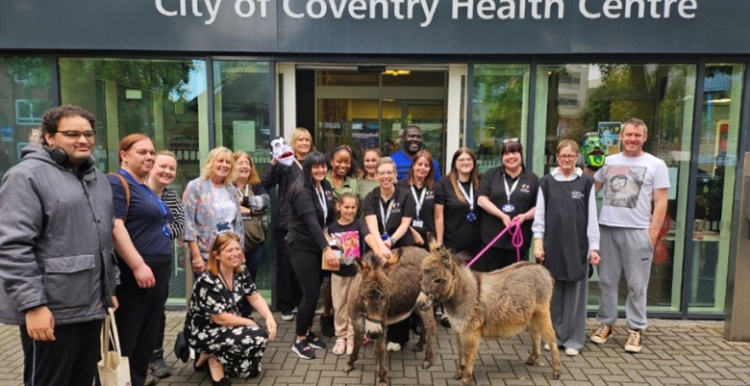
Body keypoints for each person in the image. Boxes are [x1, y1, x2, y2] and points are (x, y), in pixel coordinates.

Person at [0, 106, 118, 386]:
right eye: (72, 133)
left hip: (91, 306)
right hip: (51, 312)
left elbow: (104, 239)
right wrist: (33, 306)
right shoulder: (25, 176)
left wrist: (110, 288)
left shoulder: (97, 179)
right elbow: (12, 247)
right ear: (50, 137)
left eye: (88, 134)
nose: (83, 140)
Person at [590, 118, 670, 353]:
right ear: (621, 137)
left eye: (637, 135)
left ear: (644, 137)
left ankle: (635, 328)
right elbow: (589, 191)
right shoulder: (607, 162)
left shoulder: (656, 164)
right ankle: (606, 323)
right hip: (607, 228)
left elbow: (661, 202)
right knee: (606, 281)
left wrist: (652, 236)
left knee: (637, 284)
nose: (632, 139)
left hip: (638, 232)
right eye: (628, 135)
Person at [110, 134, 175, 386]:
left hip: (157, 270)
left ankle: (136, 380)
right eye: (142, 152)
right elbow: (116, 227)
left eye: (151, 152)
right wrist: (138, 265)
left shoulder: (144, 188)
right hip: (135, 272)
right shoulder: (117, 183)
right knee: (128, 334)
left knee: (146, 336)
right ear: (124, 155)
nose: (149, 156)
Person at [532, 140, 600, 357]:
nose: (567, 159)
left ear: (577, 157)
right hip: (552, 246)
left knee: (575, 296)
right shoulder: (546, 182)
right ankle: (554, 337)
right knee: (553, 296)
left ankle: (574, 340)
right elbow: (539, 217)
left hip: (578, 247)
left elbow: (592, 219)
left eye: (571, 156)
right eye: (563, 156)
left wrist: (594, 248)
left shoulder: (586, 183)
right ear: (557, 158)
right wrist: (538, 244)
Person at [185, 232, 277, 386]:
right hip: (203, 331)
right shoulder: (208, 280)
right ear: (217, 255)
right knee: (258, 335)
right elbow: (219, 318)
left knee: (251, 371)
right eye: (229, 251)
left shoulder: (240, 271)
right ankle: (214, 361)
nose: (235, 254)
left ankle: (204, 357)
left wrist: (269, 316)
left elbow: (254, 296)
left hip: (227, 326)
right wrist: (248, 322)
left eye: (237, 249)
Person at [286, 151, 336, 360]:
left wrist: (334, 238)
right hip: (301, 247)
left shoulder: (324, 186)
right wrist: (327, 248)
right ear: (307, 168)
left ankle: (307, 330)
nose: (320, 170)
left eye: (323, 166)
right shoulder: (302, 191)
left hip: (317, 245)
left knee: (313, 292)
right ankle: (299, 340)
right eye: (315, 167)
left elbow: (327, 216)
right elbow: (312, 224)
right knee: (310, 294)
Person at [363, 157, 415, 352]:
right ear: (376, 176)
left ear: (395, 175)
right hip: (379, 251)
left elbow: (405, 223)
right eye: (381, 173)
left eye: (389, 173)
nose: (385, 176)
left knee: (399, 291)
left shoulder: (405, 195)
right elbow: (372, 225)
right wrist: (380, 247)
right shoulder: (371, 197)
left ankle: (399, 337)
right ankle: (377, 328)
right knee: (380, 292)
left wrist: (391, 242)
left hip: (401, 248)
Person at [262, 127, 313, 321]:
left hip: (307, 222)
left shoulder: (313, 162)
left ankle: (303, 302)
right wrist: (275, 160)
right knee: (285, 265)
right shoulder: (285, 162)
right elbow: (265, 183)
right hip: (284, 221)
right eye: (300, 140)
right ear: (293, 142)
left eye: (307, 140)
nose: (304, 143)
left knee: (304, 266)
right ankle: (286, 305)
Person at [146, 151, 186, 384]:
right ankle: (135, 359)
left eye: (171, 168)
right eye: (163, 166)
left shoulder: (171, 197)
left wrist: (160, 232)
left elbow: (180, 226)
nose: (167, 172)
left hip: (161, 262)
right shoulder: (137, 192)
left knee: (157, 311)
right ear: (151, 167)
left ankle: (156, 356)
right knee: (135, 313)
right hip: (133, 263)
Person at [327, 193, 383, 355]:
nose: (350, 210)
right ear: (338, 207)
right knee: (339, 305)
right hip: (337, 273)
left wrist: (378, 252)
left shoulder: (359, 224)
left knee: (354, 306)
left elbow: (369, 237)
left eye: (353, 207)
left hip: (356, 274)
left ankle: (352, 337)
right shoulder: (331, 228)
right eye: (346, 207)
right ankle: (340, 337)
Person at [434, 148, 482, 328]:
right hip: (452, 238)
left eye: (468, 160)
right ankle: (448, 312)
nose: (465, 163)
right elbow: (439, 215)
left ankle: (470, 309)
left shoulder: (481, 181)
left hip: (477, 240)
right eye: (461, 160)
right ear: (454, 163)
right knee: (452, 277)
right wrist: (439, 243)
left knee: (472, 277)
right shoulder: (444, 184)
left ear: (474, 162)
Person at [476, 140, 538, 272]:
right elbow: (481, 200)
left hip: (518, 242)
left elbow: (539, 206)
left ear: (521, 154)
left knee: (514, 283)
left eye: (514, 152)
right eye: (506, 153)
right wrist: (502, 215)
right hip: (492, 240)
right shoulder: (491, 175)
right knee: (491, 281)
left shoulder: (532, 179)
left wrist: (525, 216)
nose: (510, 157)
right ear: (502, 157)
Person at [183, 147, 244, 275]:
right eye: (220, 161)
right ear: (211, 163)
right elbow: (188, 224)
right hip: (206, 254)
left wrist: (240, 252)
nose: (224, 165)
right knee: (210, 293)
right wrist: (196, 256)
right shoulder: (195, 186)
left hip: (230, 254)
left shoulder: (231, 189)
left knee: (231, 292)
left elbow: (238, 224)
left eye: (228, 162)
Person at [321, 145, 360, 336]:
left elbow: (354, 207)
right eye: (339, 161)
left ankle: (350, 331)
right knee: (333, 279)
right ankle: (328, 315)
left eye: (347, 161)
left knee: (348, 276)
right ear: (331, 161)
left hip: (347, 233)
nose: (343, 165)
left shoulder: (352, 182)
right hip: (327, 231)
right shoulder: (323, 179)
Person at [233, 150, 270, 282]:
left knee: (250, 281)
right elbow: (229, 207)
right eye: (240, 163)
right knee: (234, 282)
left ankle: (248, 304)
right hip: (233, 246)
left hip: (255, 243)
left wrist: (243, 201)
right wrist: (251, 211)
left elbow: (264, 202)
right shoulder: (227, 186)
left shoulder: (255, 185)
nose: (244, 166)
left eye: (247, 163)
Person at [398, 150, 437, 248]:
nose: (422, 168)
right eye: (419, 164)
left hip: (428, 238)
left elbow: (438, 217)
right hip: (406, 237)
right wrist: (414, 233)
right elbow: (397, 215)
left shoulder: (436, 187)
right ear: (413, 165)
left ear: (430, 169)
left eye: (426, 165)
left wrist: (439, 242)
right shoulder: (401, 186)